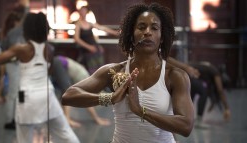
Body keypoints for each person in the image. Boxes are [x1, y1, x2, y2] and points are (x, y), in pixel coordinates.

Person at [62, 2, 194, 142]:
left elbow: (186, 126)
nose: (147, 32)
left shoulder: (175, 76)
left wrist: (140, 111)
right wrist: (110, 98)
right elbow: (68, 96)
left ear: (161, 37)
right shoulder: (114, 71)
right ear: (131, 35)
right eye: (141, 27)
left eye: (154, 28)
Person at [0, 12, 80, 143]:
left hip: (27, 98)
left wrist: (15, 57)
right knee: (65, 133)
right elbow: (49, 71)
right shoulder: (49, 49)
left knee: (24, 138)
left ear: (27, 29)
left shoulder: (21, 49)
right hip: (47, 95)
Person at [55, 55, 110, 127]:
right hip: (60, 62)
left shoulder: (88, 78)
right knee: (67, 93)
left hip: (60, 61)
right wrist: (97, 119)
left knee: (63, 93)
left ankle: (64, 119)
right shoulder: (87, 81)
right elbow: (87, 101)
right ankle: (67, 120)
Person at [0, 0, 29, 130]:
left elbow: (3, 48)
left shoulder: (8, 34)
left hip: (17, 65)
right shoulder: (14, 33)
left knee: (19, 93)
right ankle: (11, 120)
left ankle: (17, 118)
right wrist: (26, 5)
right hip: (15, 65)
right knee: (14, 93)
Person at [74, 5, 119, 74]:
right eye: (82, 11)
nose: (83, 12)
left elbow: (102, 28)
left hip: (95, 49)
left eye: (85, 11)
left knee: (100, 68)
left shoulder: (89, 23)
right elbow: (77, 39)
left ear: (87, 12)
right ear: (80, 12)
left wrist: (115, 33)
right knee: (91, 71)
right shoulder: (78, 24)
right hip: (87, 52)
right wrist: (89, 47)